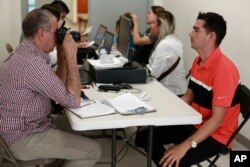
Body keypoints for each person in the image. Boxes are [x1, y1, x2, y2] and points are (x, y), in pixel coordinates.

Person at [135, 12, 241, 167]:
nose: (190, 33)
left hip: (216, 134)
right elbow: (188, 97)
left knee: (173, 161)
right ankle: (167, 160)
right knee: (144, 136)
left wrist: (185, 146)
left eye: (196, 30)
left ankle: (169, 162)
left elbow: (217, 120)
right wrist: (160, 115)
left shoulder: (224, 70)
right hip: (195, 122)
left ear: (211, 36)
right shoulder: (198, 61)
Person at [0, 9, 101, 167]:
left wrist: (61, 54)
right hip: (23, 137)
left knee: (82, 128)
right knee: (93, 150)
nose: (58, 37)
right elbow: (73, 101)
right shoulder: (32, 63)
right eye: (56, 32)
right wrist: (72, 57)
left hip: (32, 124)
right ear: (41, 33)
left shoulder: (26, 52)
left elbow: (57, 87)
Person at [145, 10, 187, 96]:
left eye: (153, 23)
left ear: (161, 26)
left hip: (172, 93)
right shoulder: (172, 40)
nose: (150, 26)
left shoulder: (165, 44)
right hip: (174, 90)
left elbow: (153, 74)